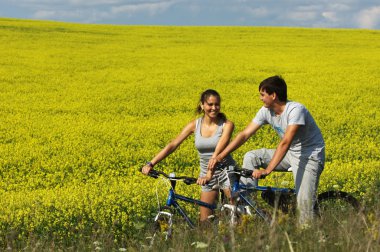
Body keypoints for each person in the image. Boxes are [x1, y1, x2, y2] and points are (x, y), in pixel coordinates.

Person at [209, 75, 325, 225]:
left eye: (262, 94)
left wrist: (267, 170)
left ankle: (309, 237)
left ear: (273, 95)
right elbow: (245, 134)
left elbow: (285, 142)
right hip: (291, 154)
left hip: (309, 157)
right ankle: (246, 204)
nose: (260, 98)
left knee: (304, 210)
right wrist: (220, 156)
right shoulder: (266, 111)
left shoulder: (296, 110)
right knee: (252, 156)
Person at [141, 89, 237, 223]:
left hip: (226, 173)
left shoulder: (227, 125)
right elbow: (173, 144)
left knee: (237, 216)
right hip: (206, 176)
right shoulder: (195, 125)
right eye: (210, 104)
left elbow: (218, 152)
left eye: (217, 104)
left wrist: (209, 174)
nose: (214, 108)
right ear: (202, 105)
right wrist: (151, 163)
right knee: (205, 223)